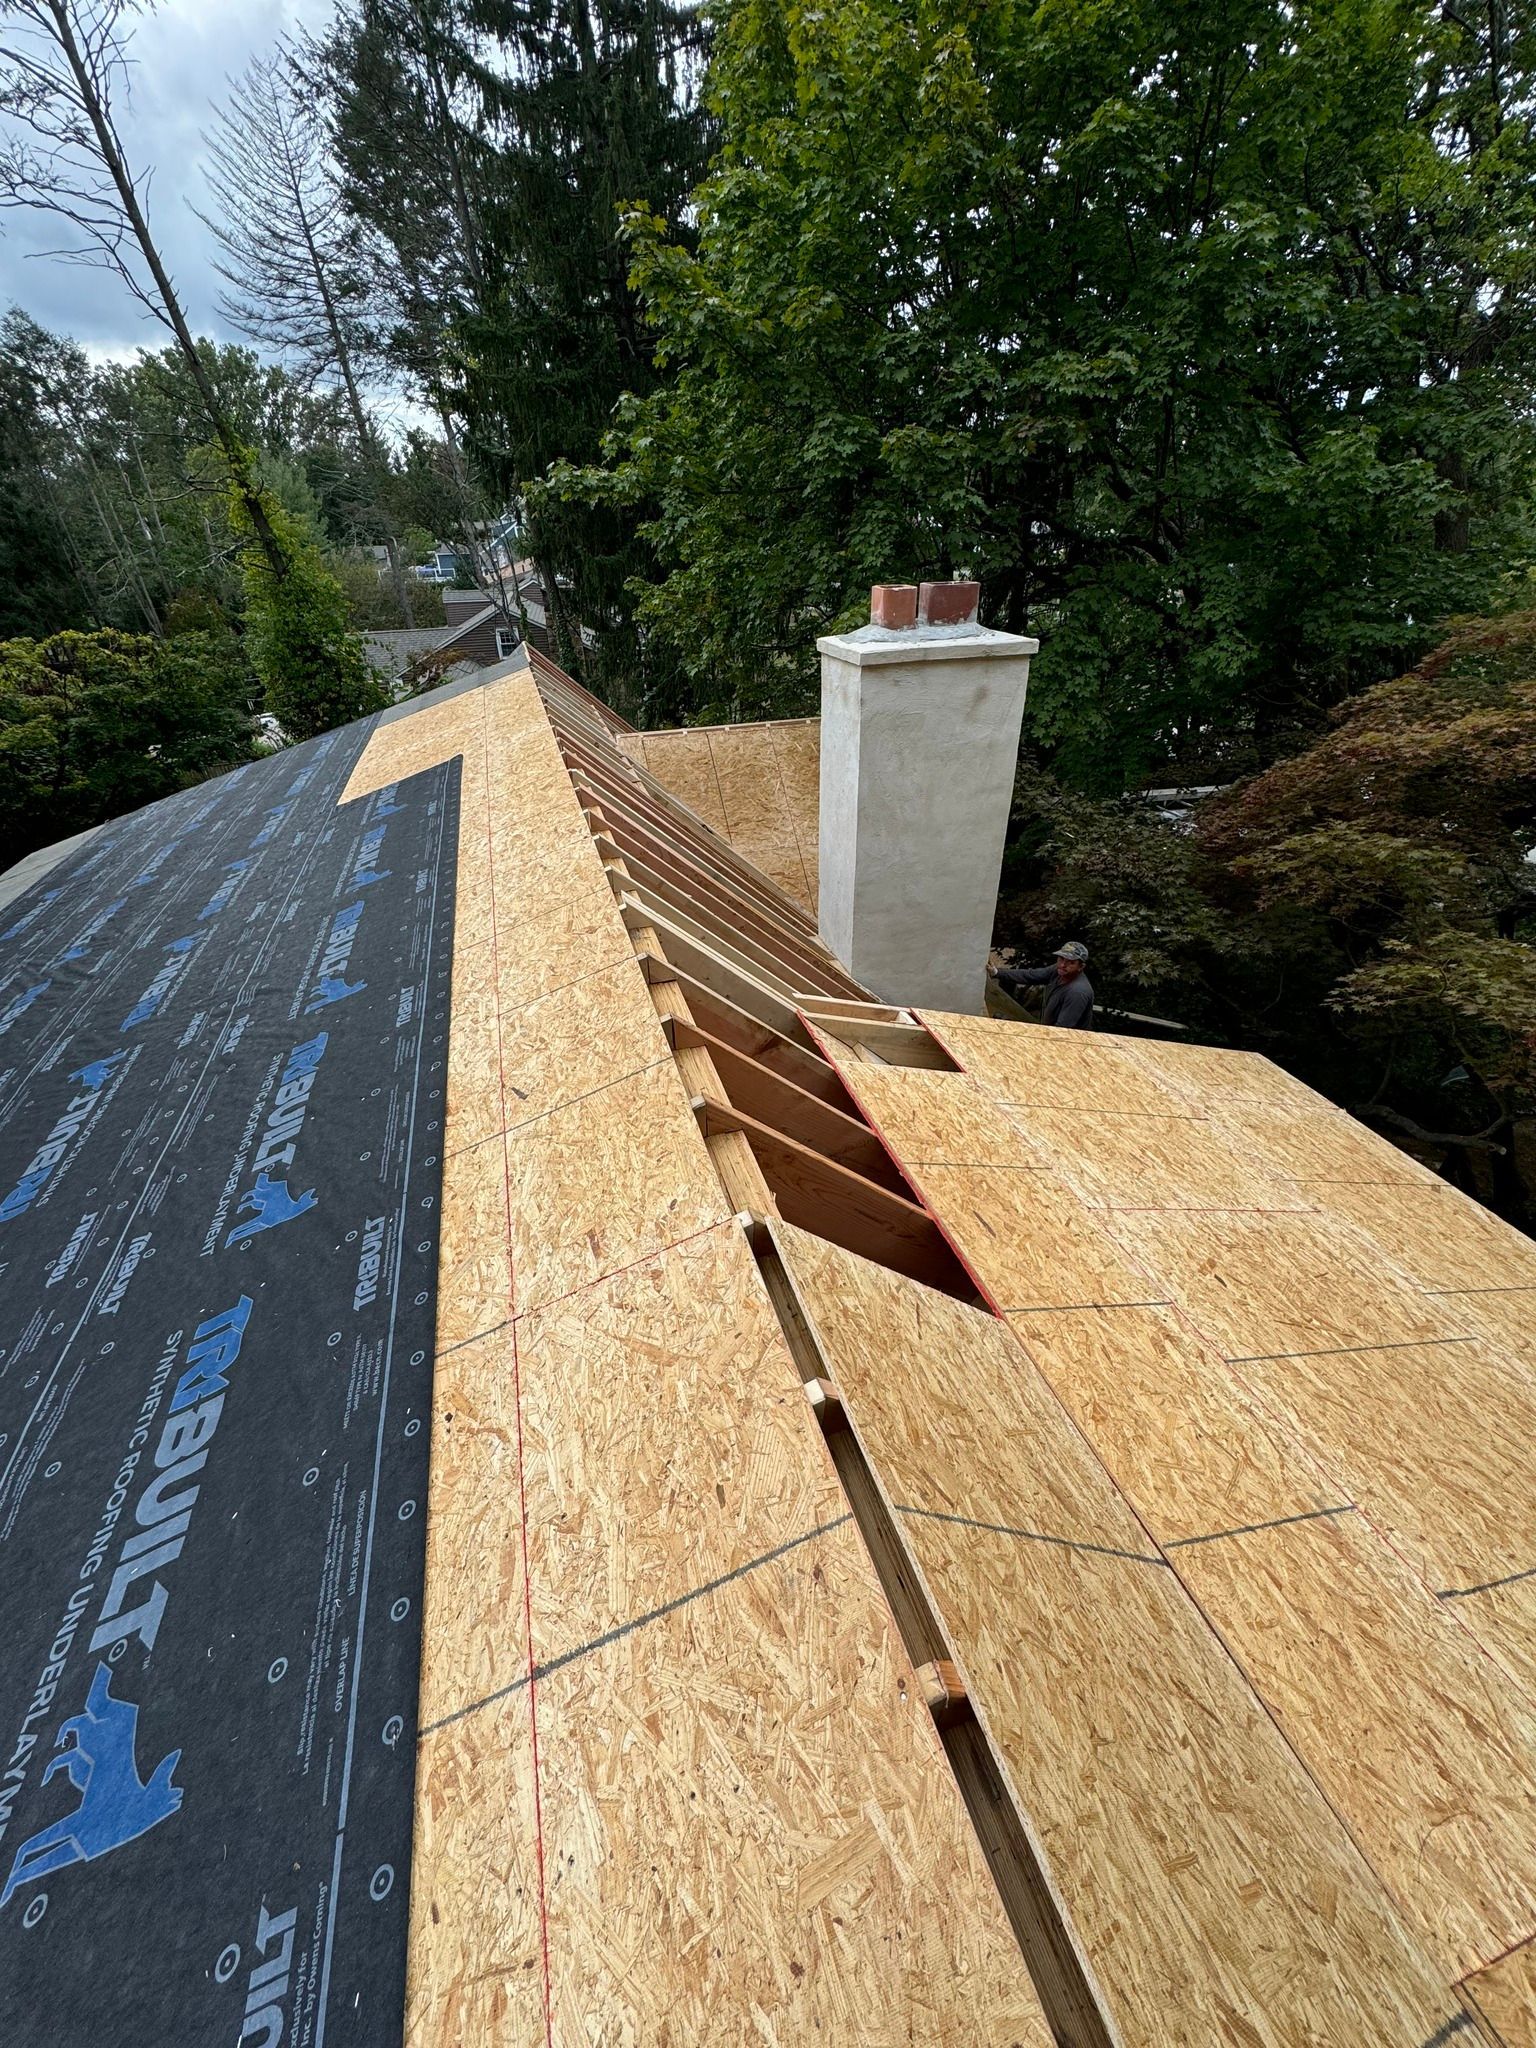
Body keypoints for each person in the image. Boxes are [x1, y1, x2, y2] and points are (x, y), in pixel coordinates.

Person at [994, 941, 1095, 1029]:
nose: (1063, 965)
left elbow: (1062, 1030)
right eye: (1061, 959)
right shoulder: (1058, 971)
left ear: (1081, 967)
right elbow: (1031, 975)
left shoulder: (1077, 992)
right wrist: (997, 972)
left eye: (1071, 963)